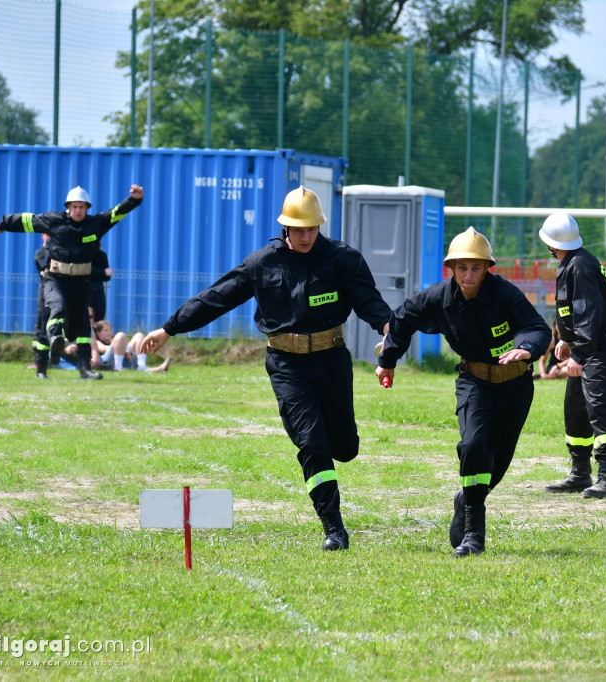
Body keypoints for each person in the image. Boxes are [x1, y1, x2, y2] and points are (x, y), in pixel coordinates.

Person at [138, 186, 391, 552]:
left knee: (345, 447)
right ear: (285, 227)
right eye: (298, 229)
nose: (306, 236)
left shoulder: (342, 259)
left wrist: (389, 332)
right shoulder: (262, 262)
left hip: (331, 358)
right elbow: (216, 298)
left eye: (312, 229)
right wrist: (169, 328)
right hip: (287, 365)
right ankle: (333, 528)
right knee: (311, 442)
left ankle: (335, 473)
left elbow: (370, 302)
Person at [375, 227, 550, 557]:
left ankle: (465, 499)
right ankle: (474, 536)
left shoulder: (505, 295)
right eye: (462, 268)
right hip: (474, 383)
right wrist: (388, 360)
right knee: (473, 447)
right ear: (451, 269)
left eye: (476, 268)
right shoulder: (438, 298)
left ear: (487, 269)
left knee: (496, 465)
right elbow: (402, 318)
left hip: (516, 386)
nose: (469, 276)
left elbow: (536, 327)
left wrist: (525, 348)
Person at [0, 184, 144, 380]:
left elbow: (116, 214)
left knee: (83, 328)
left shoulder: (96, 224)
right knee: (55, 308)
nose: (78, 210)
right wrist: (1, 226)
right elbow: (27, 220)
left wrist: (134, 199)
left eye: (82, 207)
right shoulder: (54, 220)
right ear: (68, 206)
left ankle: (85, 369)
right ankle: (42, 366)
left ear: (87, 208)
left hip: (80, 284)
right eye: (74, 206)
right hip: (55, 279)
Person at [539, 212, 606, 499]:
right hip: (588, 346)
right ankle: (580, 474)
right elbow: (572, 311)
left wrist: (578, 353)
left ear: (551, 243)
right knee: (575, 409)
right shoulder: (572, 263)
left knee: (598, 408)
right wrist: (566, 340)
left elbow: (589, 314)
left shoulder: (580, 266)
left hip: (601, 348)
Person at [91, 320, 169, 373]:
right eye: (106, 330)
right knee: (120, 335)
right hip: (108, 361)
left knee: (139, 335)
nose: (109, 332)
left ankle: (141, 366)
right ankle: (118, 368)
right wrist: (124, 351)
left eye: (110, 330)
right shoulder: (96, 341)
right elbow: (104, 348)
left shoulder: (113, 340)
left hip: (125, 358)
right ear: (98, 332)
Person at [31, 233, 52, 378]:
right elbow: (46, 270)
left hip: (61, 293)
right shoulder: (40, 253)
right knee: (42, 327)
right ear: (43, 235)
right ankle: (41, 368)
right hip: (46, 292)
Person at [88, 239, 112, 323]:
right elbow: (86, 270)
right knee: (88, 314)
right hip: (87, 287)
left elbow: (107, 276)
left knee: (99, 316)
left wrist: (104, 274)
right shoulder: (83, 254)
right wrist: (103, 273)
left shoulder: (101, 255)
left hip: (98, 288)